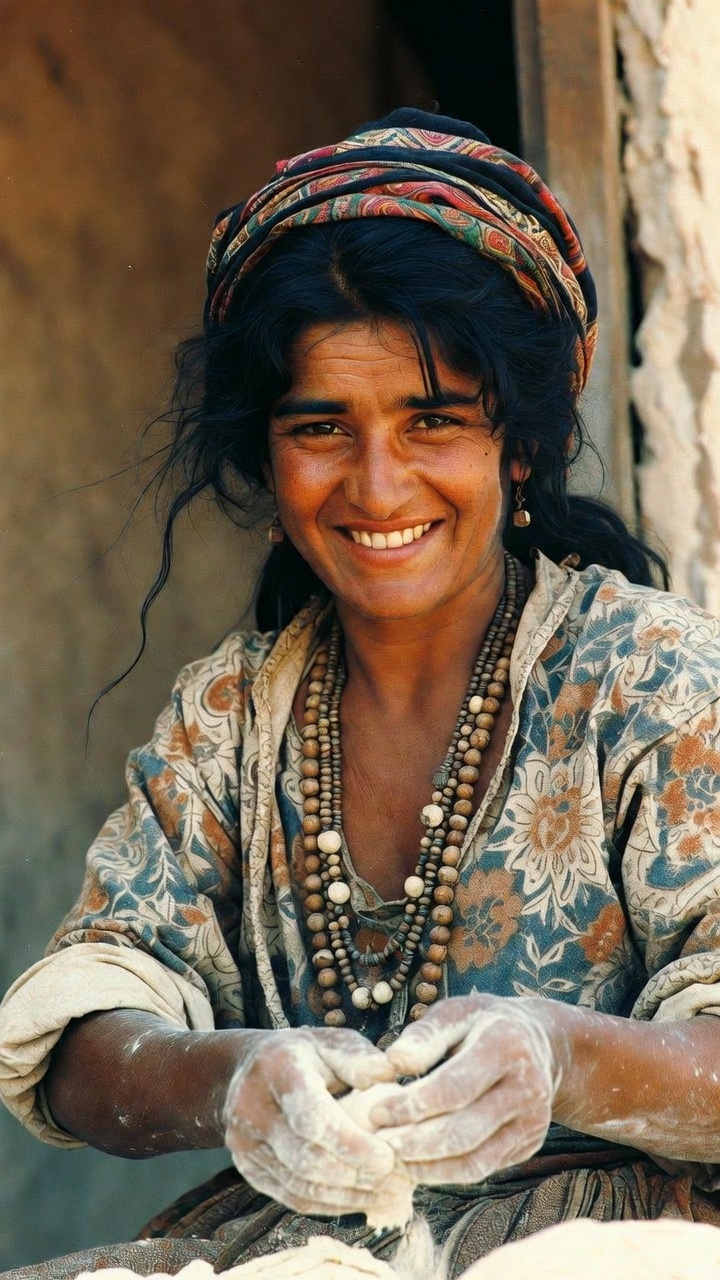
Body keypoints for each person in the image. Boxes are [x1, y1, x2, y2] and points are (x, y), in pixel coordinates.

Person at [3, 107, 720, 1280]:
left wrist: (562, 1055)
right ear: (267, 450)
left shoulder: (653, 680)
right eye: (322, 426)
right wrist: (230, 1078)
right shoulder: (231, 718)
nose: (378, 483)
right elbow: (82, 1040)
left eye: (432, 419)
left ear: (520, 445)